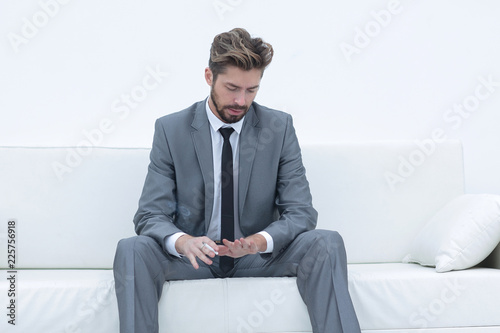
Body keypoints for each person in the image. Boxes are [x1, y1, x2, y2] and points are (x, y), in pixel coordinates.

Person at [113, 27, 361, 333]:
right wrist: (184, 241)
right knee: (132, 248)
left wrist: (257, 242)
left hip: (256, 257)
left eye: (251, 90)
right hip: (194, 258)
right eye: (232, 88)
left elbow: (301, 212)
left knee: (326, 242)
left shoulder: (279, 127)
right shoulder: (171, 130)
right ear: (209, 76)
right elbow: (150, 214)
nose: (241, 101)